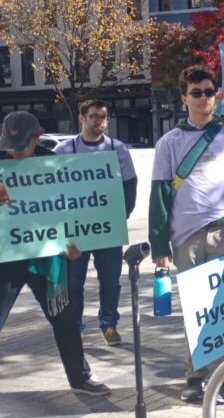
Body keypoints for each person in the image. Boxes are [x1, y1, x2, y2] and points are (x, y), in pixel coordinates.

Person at [149, 65, 224, 404]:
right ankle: (196, 376)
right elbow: (159, 196)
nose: (203, 98)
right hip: (185, 238)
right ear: (184, 98)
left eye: (208, 92)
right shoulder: (168, 143)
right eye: (195, 92)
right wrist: (158, 243)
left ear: (217, 96)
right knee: (196, 310)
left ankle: (223, 374)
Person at [0, 111, 110, 395]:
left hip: (46, 257)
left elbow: (72, 210)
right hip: (5, 257)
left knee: (65, 318)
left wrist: (76, 244)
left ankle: (80, 376)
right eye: (10, 147)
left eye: (21, 146)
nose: (14, 153)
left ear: (37, 137)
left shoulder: (57, 166)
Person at [53, 99, 138, 347]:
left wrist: (123, 215)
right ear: (82, 118)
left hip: (108, 229)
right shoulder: (64, 150)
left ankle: (109, 324)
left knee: (111, 280)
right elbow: (50, 185)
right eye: (93, 116)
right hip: (76, 231)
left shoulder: (117, 148)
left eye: (103, 116)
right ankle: (76, 326)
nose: (99, 121)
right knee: (74, 282)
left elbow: (130, 185)